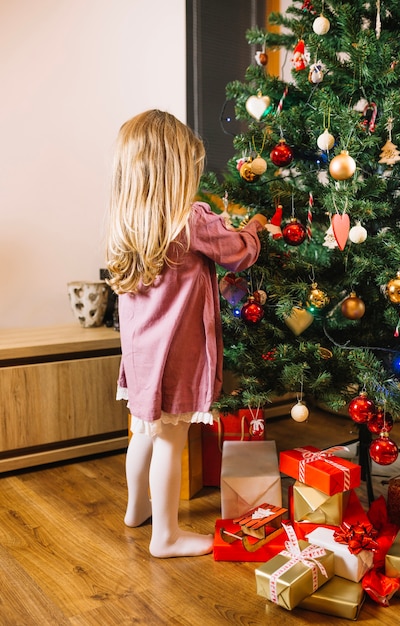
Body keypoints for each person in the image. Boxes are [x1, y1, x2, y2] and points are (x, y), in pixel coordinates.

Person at [106, 109, 267, 558]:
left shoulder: (129, 224)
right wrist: (254, 229)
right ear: (177, 171)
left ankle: (136, 509)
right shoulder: (190, 219)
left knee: (142, 433)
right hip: (175, 359)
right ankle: (166, 536)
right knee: (170, 444)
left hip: (140, 361)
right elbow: (237, 253)